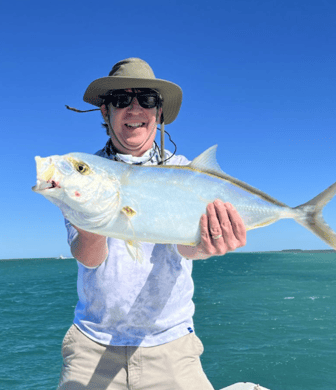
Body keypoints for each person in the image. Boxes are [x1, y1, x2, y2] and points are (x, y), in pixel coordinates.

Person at [58, 58, 247, 390]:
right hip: (93, 342)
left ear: (158, 112)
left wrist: (206, 245)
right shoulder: (84, 171)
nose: (134, 109)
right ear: (105, 111)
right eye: (121, 100)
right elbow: (89, 257)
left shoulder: (187, 172)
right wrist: (89, 215)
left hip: (170, 342)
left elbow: (186, 246)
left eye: (146, 100)